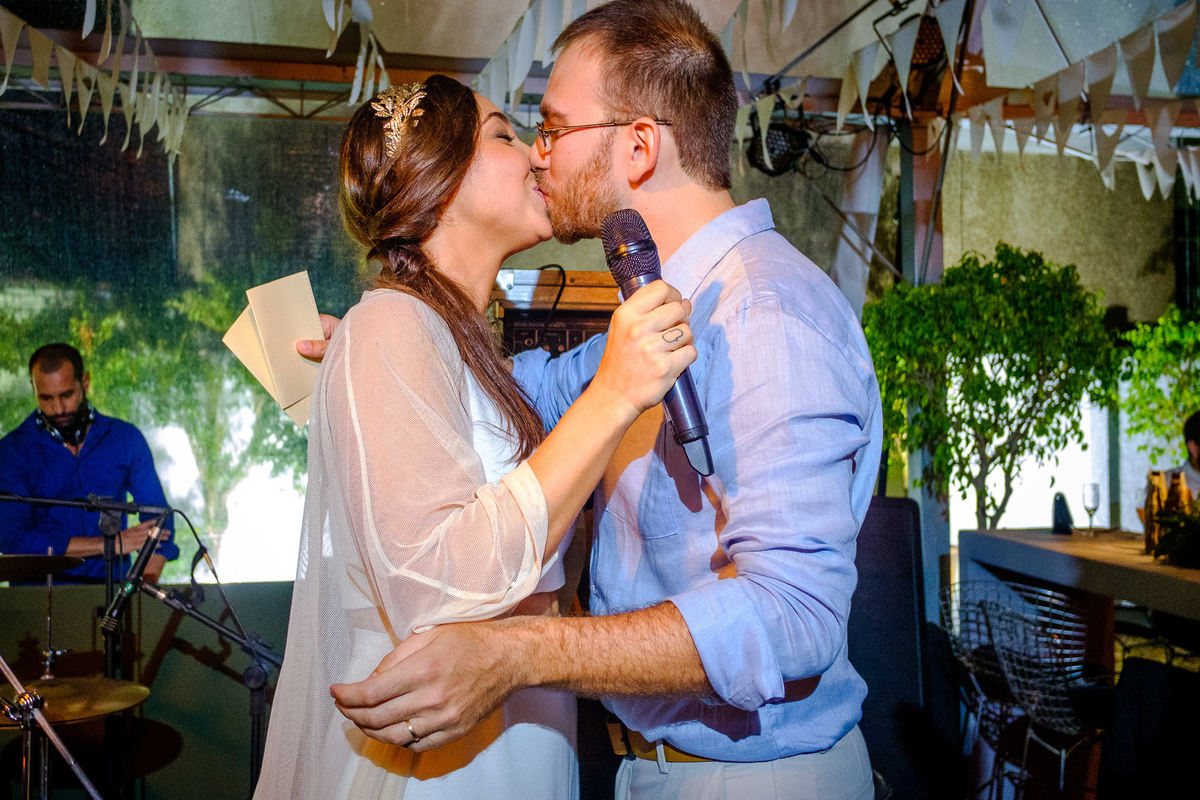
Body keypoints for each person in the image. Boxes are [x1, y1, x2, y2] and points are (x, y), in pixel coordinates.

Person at [327, 2, 883, 799]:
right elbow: (506, 394)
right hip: (650, 770)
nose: (540, 156)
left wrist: (519, 653)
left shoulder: (769, 314)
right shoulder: (649, 312)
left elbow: (795, 616)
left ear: (640, 144)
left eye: (553, 128)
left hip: (756, 780)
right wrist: (392, 346)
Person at [254, 75, 696, 800]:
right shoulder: (389, 323)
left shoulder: (457, 345)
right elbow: (434, 588)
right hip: (441, 767)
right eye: (504, 135)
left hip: (517, 738)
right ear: (439, 179)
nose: (535, 156)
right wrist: (616, 394)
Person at [0, 343, 176, 584]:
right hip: (37, 601)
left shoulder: (125, 438)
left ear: (85, 382)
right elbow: (13, 540)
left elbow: (160, 521)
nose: (58, 408)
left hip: (112, 595)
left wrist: (139, 588)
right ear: (33, 389)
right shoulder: (11, 451)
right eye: (46, 398)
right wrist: (111, 545)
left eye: (66, 395)